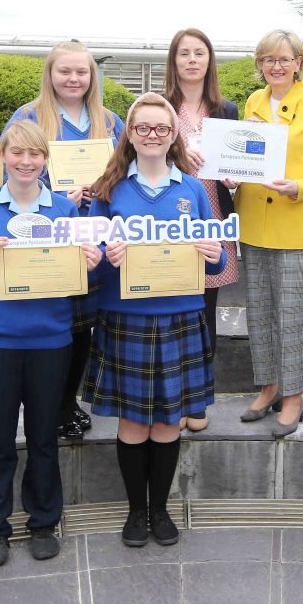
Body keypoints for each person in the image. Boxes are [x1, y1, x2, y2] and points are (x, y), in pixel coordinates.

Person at [0, 120, 102, 567]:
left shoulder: (63, 210)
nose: (26, 161)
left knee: (43, 437)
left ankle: (42, 521)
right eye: (17, 153)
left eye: (35, 155)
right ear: (3, 157)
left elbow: (77, 275)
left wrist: (91, 262)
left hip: (50, 341)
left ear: (45, 161)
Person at [84, 93, 225, 547]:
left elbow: (213, 258)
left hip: (179, 316)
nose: (151, 135)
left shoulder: (191, 191)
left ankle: (160, 510)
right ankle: (135, 513)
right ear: (129, 133)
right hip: (125, 317)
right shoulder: (108, 191)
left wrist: (213, 253)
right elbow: (89, 263)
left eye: (161, 129)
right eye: (142, 127)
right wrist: (107, 257)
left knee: (167, 423)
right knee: (132, 423)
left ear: (173, 136)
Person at [4, 40, 125, 441]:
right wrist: (56, 197)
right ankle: (46, 402)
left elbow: (128, 170)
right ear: (50, 74)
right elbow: (11, 170)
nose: (73, 79)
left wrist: (103, 187)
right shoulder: (28, 116)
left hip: (94, 236)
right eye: (65, 71)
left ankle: (67, 401)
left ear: (92, 76)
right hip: (47, 235)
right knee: (54, 322)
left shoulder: (109, 121)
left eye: (82, 72)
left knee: (81, 327)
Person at [231, 30, 303, 437]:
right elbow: (244, 156)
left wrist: (300, 187)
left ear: (299, 62)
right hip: (254, 222)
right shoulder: (254, 102)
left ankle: (293, 396)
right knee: (258, 313)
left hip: (294, 224)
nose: (275, 66)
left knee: (290, 316)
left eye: (283, 59)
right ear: (259, 65)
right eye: (267, 60)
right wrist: (233, 175)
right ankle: (269, 386)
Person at [163, 28, 241, 432]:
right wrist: (178, 155)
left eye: (200, 53)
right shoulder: (160, 107)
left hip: (213, 214)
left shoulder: (226, 109)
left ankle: (197, 399)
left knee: (205, 312)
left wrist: (234, 179)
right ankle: (170, 397)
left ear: (209, 61)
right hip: (170, 218)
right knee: (173, 308)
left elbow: (240, 163)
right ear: (173, 61)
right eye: (184, 53)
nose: (192, 60)